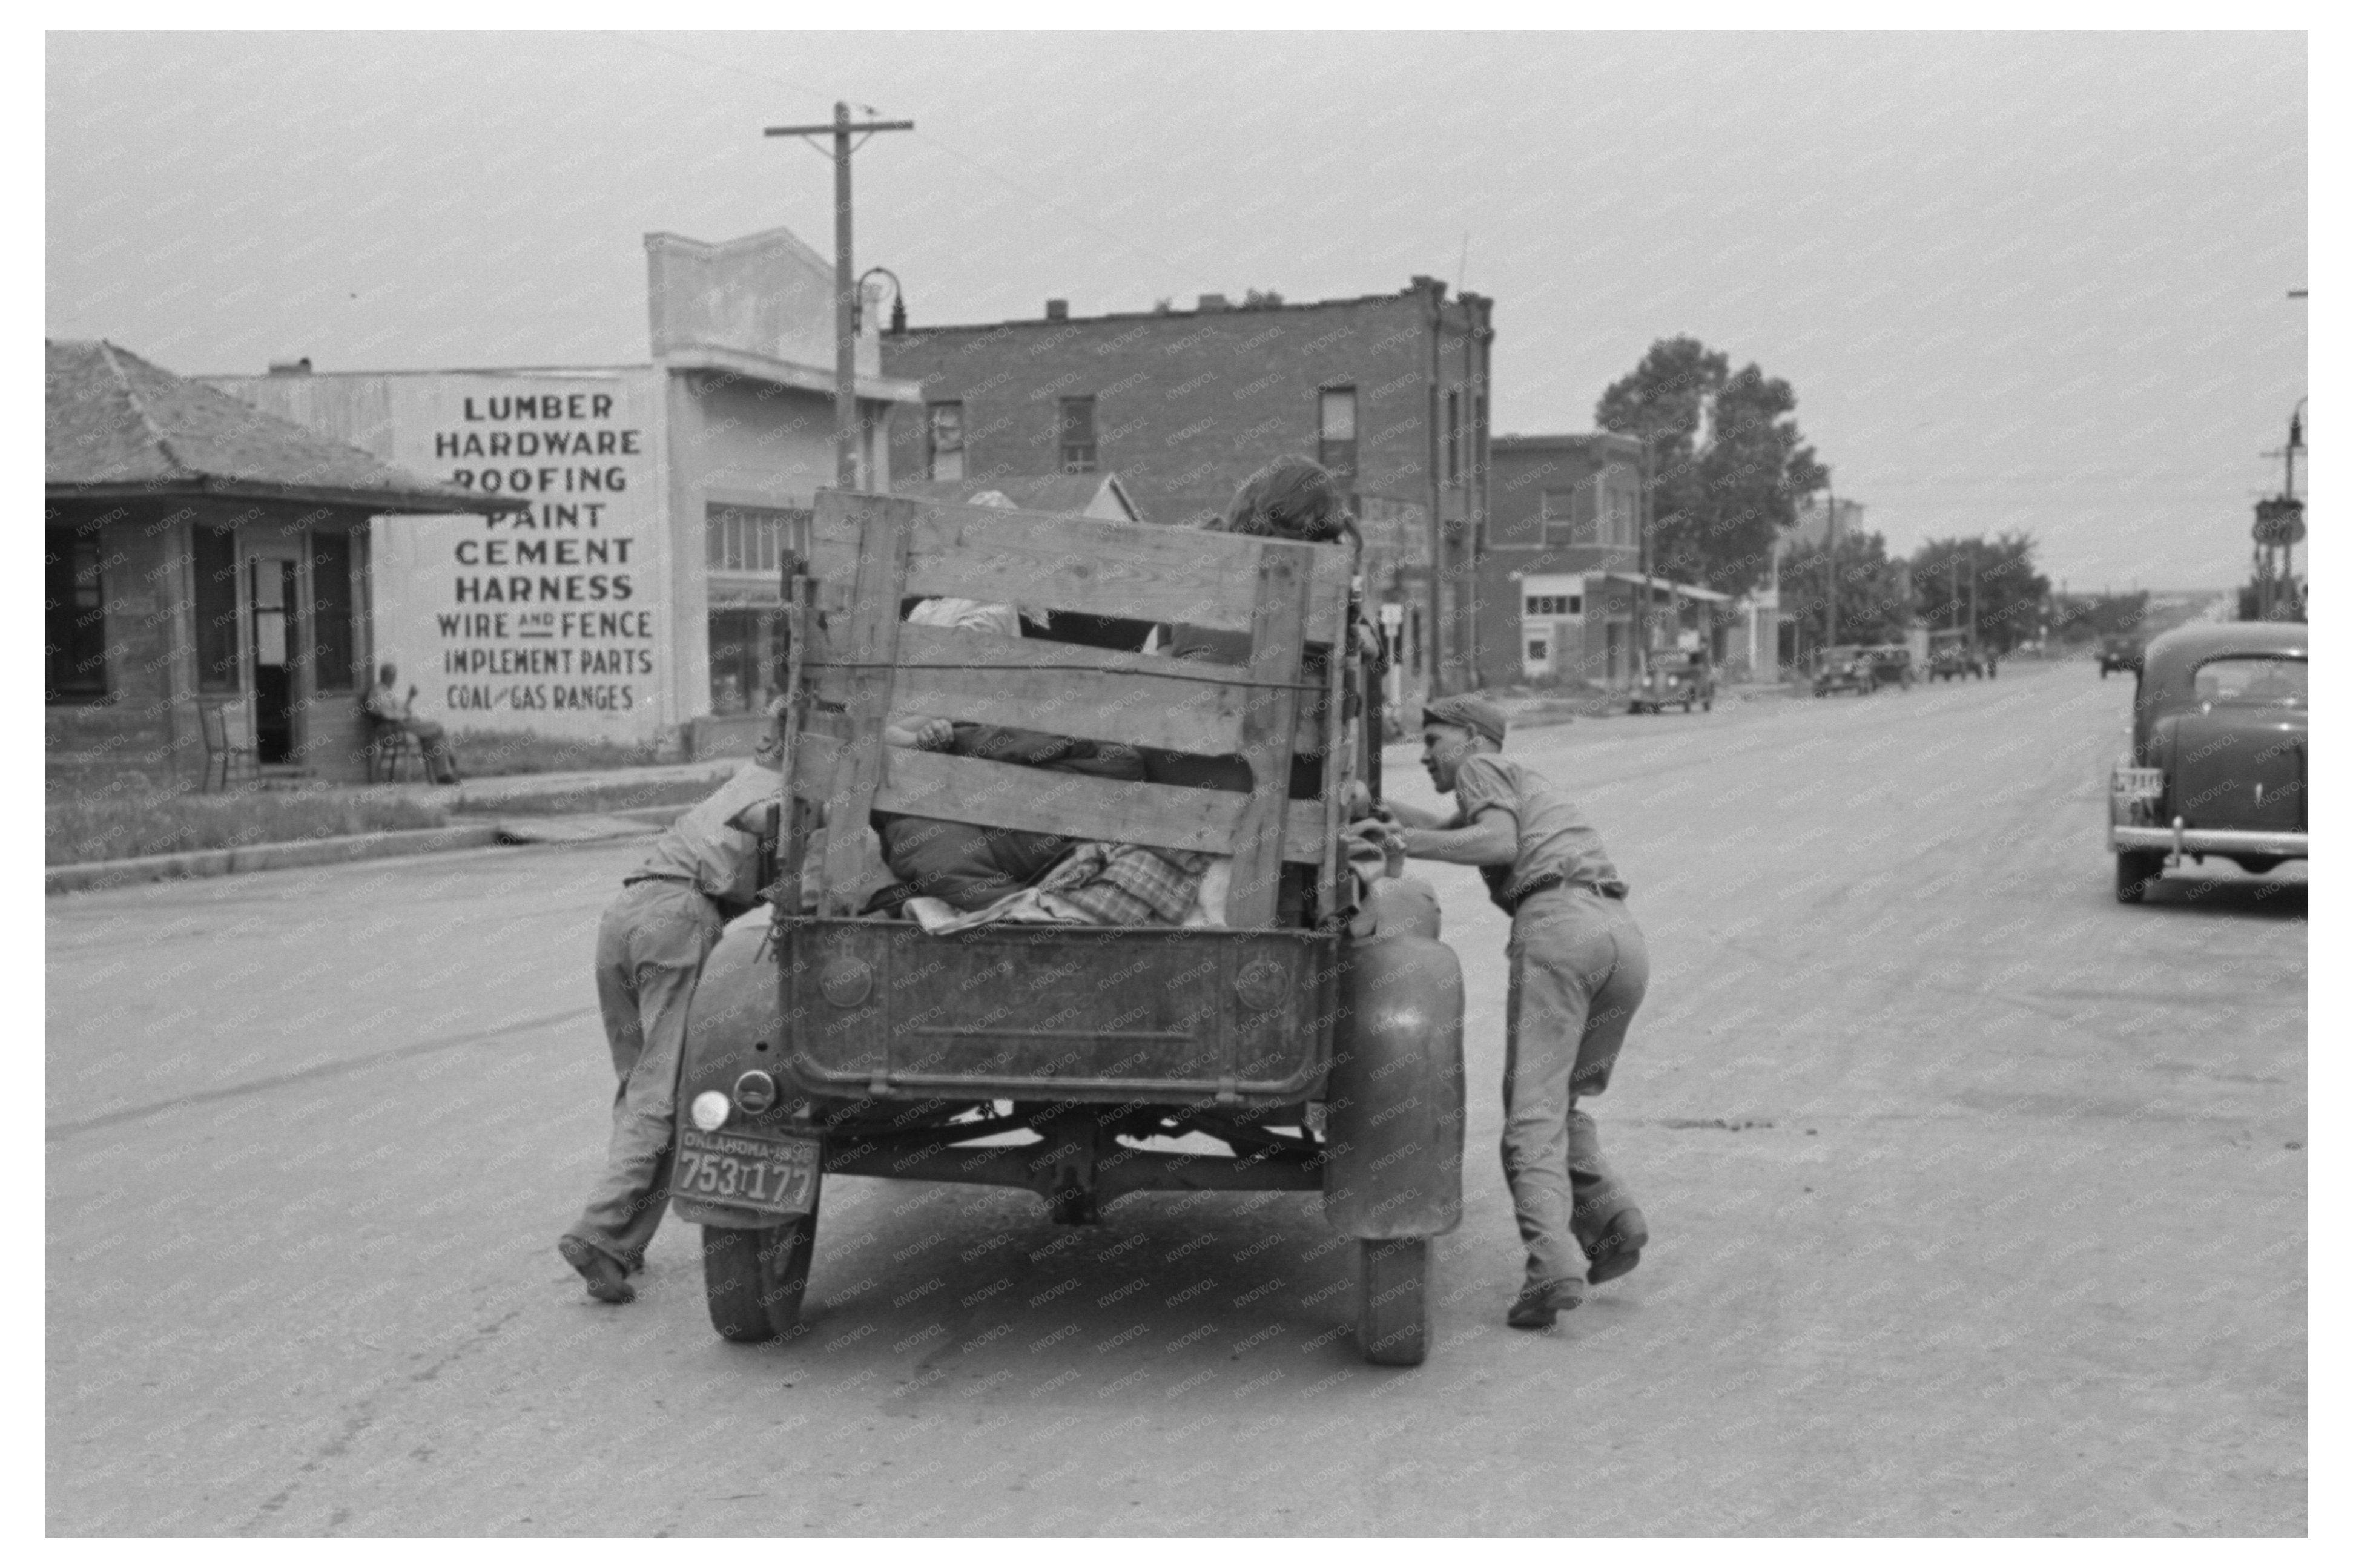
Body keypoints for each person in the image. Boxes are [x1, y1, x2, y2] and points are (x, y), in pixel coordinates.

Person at [1350, 694, 1652, 1329]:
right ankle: (1611, 1221)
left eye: (1434, 739)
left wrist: (1402, 840)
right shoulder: (1515, 783)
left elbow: (1493, 840)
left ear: (1470, 736)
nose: (1425, 753)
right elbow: (1457, 824)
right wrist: (1381, 814)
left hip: (1559, 931)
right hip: (1618, 937)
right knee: (1561, 1100)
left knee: (1530, 1118)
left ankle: (1551, 1269)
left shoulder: (1481, 771)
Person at [557, 740, 784, 1304]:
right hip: (680, 918)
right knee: (666, 1093)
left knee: (640, 1088)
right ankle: (599, 1231)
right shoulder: (790, 794)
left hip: (626, 910)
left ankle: (619, 1244)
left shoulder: (749, 777)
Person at [363, 664, 462, 785]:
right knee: (437, 728)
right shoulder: (377, 692)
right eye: (391, 676)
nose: (393, 679)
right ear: (384, 676)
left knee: (436, 738)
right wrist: (407, 718)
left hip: (401, 725)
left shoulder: (388, 692)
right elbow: (388, 715)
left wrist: (410, 698)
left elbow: (403, 710)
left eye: (394, 676)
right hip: (391, 728)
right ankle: (451, 760)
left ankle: (444, 775)